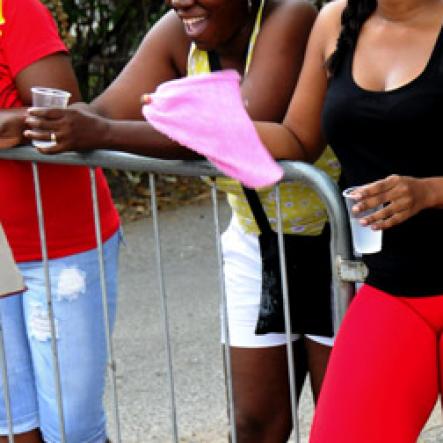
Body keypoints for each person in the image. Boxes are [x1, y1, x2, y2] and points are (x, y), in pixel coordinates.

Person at [24, 0, 342, 441]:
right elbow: (102, 113)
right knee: (254, 424)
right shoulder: (177, 31)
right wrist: (56, 122)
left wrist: (105, 132)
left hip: (336, 242)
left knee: (342, 422)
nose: (180, 1)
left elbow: (240, 129)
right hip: (256, 241)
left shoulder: (290, 14)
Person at [185, 0, 443, 441]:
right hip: (393, 290)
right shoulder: (337, 21)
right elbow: (298, 138)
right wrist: (206, 125)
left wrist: (430, 191)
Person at [0, 0, 121, 442]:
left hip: (58, 247)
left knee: (72, 432)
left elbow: (61, 118)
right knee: (12, 426)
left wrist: (15, 123)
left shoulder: (13, 9)